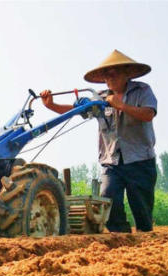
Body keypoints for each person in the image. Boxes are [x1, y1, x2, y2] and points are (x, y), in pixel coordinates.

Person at [41, 49, 158, 232]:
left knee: (142, 210)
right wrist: (51, 105)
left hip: (140, 160)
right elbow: (74, 110)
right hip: (112, 161)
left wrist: (122, 106)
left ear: (127, 74)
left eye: (114, 73)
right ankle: (120, 236)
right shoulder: (100, 98)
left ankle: (145, 234)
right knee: (107, 196)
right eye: (106, 75)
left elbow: (148, 114)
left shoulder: (142, 91)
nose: (110, 78)